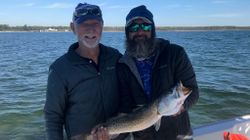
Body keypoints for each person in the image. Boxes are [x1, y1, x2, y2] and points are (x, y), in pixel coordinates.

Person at [116, 5, 199, 140]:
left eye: (146, 27)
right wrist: (110, 132)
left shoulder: (175, 53)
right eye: (134, 28)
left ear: (153, 29)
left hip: (179, 135)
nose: (140, 32)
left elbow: (193, 91)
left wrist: (181, 106)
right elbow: (125, 105)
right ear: (127, 32)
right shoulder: (123, 65)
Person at [44, 3, 121, 140]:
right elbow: (53, 117)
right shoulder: (59, 69)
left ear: (102, 27)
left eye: (95, 23)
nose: (91, 30)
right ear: (73, 27)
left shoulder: (115, 57)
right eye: (84, 24)